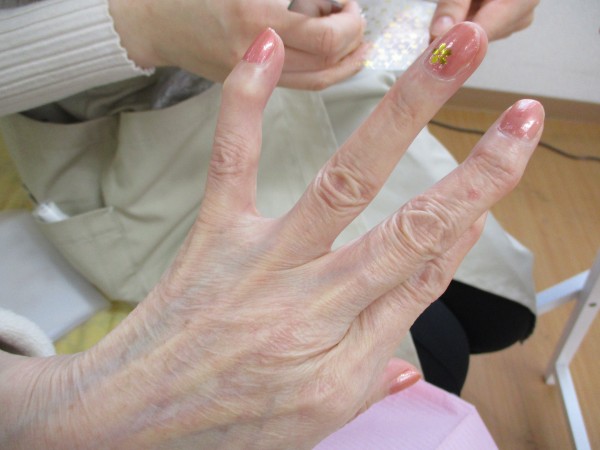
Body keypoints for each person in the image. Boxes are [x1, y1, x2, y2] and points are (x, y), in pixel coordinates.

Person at [0, 22, 544, 447]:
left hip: (303, 84)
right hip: (123, 133)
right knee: (439, 349)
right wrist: (137, 25)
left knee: (502, 311)